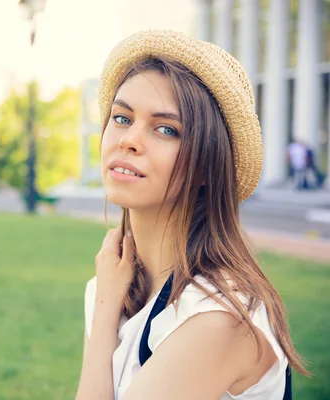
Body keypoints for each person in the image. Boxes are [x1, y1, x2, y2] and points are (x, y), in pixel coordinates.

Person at [75, 31, 308, 400]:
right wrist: (106, 306)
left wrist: (105, 313)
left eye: (166, 129)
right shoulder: (113, 284)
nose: (129, 139)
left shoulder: (217, 317)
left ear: (206, 166)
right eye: (122, 117)